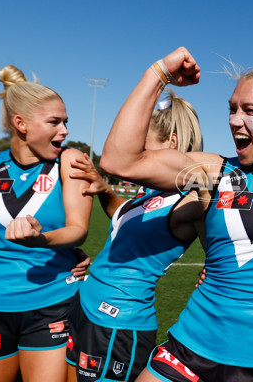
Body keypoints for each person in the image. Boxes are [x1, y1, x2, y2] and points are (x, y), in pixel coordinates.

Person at [100, 46, 253, 381]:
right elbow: (119, 160)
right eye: (232, 109)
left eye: (249, 111)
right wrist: (158, 74)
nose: (234, 120)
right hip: (189, 347)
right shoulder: (213, 171)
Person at [65, 90, 205, 382]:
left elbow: (226, 239)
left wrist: (214, 268)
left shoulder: (190, 200)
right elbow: (125, 220)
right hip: (85, 304)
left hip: (117, 323)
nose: (134, 154)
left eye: (143, 145)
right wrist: (105, 190)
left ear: (171, 143)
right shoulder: (149, 190)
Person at [0, 65, 93, 382]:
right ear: (21, 123)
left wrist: (42, 241)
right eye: (54, 122)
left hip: (51, 302)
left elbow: (78, 229)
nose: (64, 130)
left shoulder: (71, 161)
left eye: (66, 121)